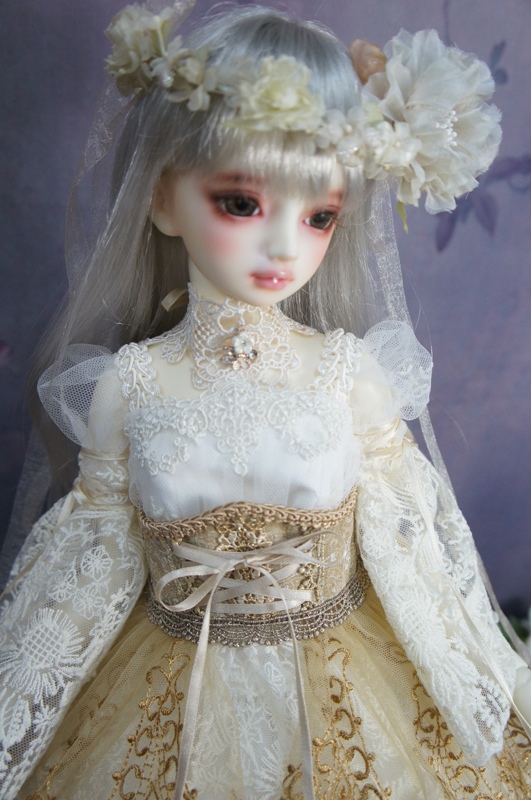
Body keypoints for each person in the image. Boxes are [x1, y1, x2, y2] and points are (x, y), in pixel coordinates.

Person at [1, 3, 530, 799]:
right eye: (242, 203)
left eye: (318, 216)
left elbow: (414, 545)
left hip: (345, 681)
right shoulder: (130, 385)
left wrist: (491, 675)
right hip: (163, 682)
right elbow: (89, 567)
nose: (283, 245)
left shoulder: (348, 374)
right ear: (162, 200)